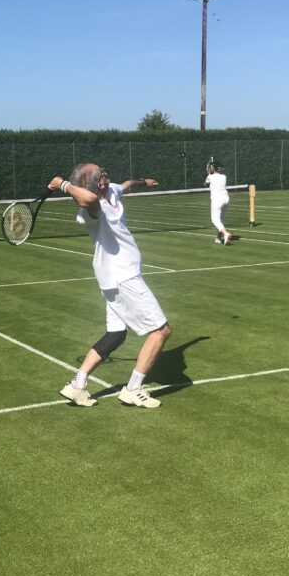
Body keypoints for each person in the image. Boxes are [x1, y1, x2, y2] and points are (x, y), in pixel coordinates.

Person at [50, 164, 171, 409]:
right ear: (97, 184)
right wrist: (62, 184)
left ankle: (77, 384)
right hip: (122, 278)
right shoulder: (91, 209)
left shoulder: (112, 190)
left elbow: (125, 185)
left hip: (114, 279)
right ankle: (133, 389)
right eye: (100, 175)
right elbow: (89, 199)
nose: (105, 174)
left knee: (116, 334)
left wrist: (142, 181)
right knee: (160, 331)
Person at [204, 159, 232, 244]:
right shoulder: (224, 177)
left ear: (213, 168)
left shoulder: (210, 177)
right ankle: (219, 238)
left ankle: (225, 233)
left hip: (217, 200)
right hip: (226, 199)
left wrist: (207, 180)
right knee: (220, 219)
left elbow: (205, 184)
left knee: (215, 220)